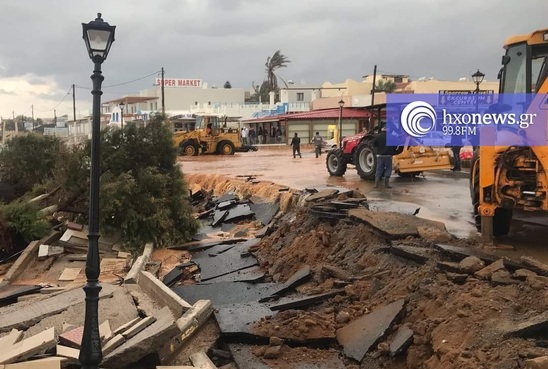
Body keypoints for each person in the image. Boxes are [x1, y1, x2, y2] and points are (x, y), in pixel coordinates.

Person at [373, 124, 404, 188]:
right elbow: (397, 145)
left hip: (380, 156)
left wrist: (377, 150)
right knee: (388, 169)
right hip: (388, 156)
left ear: (382, 129)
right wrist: (394, 152)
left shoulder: (377, 136)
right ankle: (386, 184)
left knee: (379, 169)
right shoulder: (392, 136)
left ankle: (376, 184)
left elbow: (374, 144)